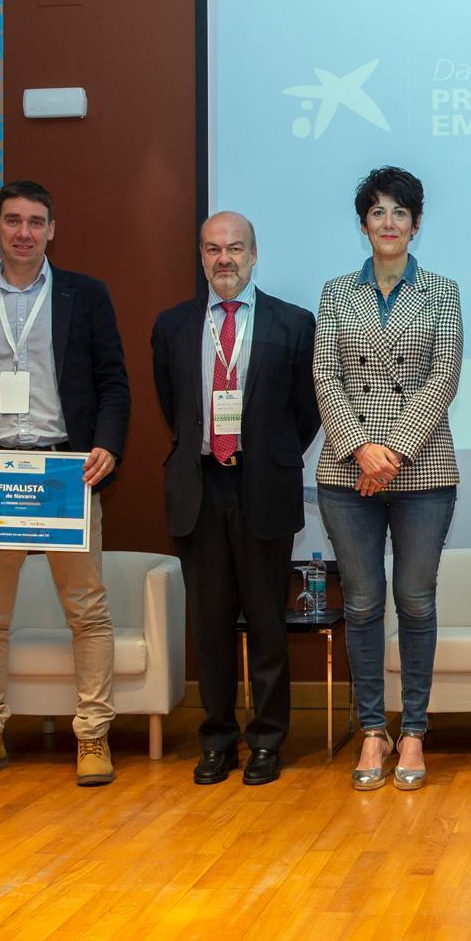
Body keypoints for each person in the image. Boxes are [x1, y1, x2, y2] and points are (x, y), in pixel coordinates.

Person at [0, 180, 131, 788]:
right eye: (13, 220)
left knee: (87, 611)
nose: (24, 231)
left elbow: (113, 383)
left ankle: (93, 735)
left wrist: (108, 445)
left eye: (36, 221)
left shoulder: (84, 295)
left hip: (64, 470)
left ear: (52, 230)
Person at [152, 211, 319, 786]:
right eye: (212, 249)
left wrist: (265, 454)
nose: (224, 259)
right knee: (211, 622)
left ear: (254, 254)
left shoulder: (294, 323)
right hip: (199, 487)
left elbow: (306, 413)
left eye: (235, 248)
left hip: (262, 487)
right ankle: (218, 739)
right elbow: (172, 403)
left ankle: (268, 740)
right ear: (201, 256)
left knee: (268, 621)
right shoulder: (172, 325)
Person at [313, 166, 462, 791]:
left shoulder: (443, 291)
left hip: (423, 469)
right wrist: (361, 450)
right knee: (366, 604)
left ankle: (414, 732)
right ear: (364, 223)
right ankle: (372, 730)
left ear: (417, 223)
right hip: (347, 474)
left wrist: (393, 451)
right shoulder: (333, 293)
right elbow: (327, 378)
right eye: (378, 213)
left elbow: (443, 377)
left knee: (416, 602)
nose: (390, 223)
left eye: (401, 213)